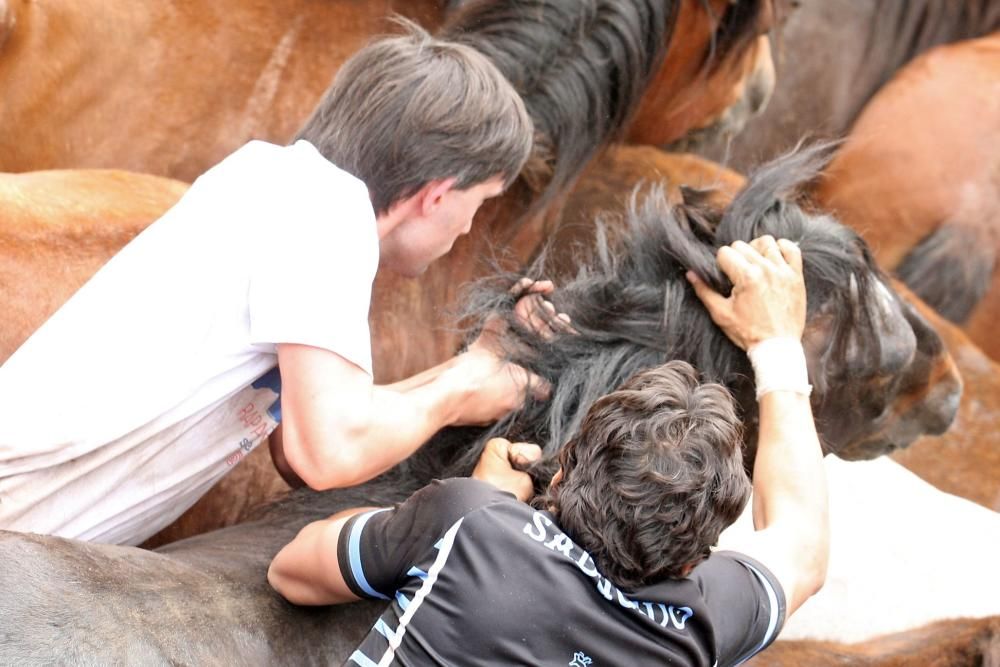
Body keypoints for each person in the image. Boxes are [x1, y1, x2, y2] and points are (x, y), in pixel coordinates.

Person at [0, 25, 554, 546]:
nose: (464, 229)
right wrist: (461, 391)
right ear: (438, 193)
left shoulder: (282, 187)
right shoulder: (326, 216)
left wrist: (475, 365)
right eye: (478, 205)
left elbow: (295, 453)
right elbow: (328, 453)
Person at [267, 236, 830, 666]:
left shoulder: (471, 520)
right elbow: (802, 542)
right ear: (694, 561)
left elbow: (292, 571)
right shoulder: (705, 621)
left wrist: (488, 500)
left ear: (562, 474)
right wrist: (776, 342)